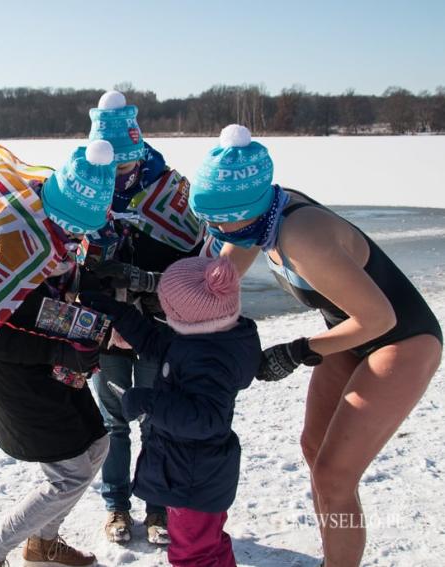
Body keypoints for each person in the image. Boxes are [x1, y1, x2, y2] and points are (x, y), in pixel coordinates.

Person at [188, 124, 443, 567]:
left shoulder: (303, 237)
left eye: (218, 220)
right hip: (349, 331)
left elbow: (380, 318)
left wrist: (296, 351)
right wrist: (168, 299)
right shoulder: (260, 216)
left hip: (400, 341)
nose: (213, 230)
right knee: (314, 449)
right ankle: (335, 551)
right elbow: (223, 275)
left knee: (334, 475)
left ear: (246, 208)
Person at [0, 141, 117, 567]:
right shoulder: (7, 241)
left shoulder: (63, 234)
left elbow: (61, 294)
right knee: (69, 475)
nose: (75, 238)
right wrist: (62, 351)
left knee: (97, 445)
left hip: (59, 366)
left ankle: (42, 543)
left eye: (81, 231)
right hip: (20, 379)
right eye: (71, 228)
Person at [81, 90, 204, 544]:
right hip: (108, 329)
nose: (116, 176)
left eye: (124, 166)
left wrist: (143, 280)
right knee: (113, 423)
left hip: (159, 327)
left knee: (157, 419)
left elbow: (198, 265)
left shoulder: (172, 192)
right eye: (109, 168)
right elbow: (74, 265)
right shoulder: (84, 190)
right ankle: (116, 508)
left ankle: (157, 509)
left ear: (137, 155)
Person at [82, 256, 260, 567]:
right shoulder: (210, 338)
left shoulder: (210, 359)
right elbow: (157, 342)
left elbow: (206, 419)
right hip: (194, 470)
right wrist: (119, 313)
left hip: (192, 476)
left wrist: (146, 402)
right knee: (209, 543)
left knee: (193, 553)